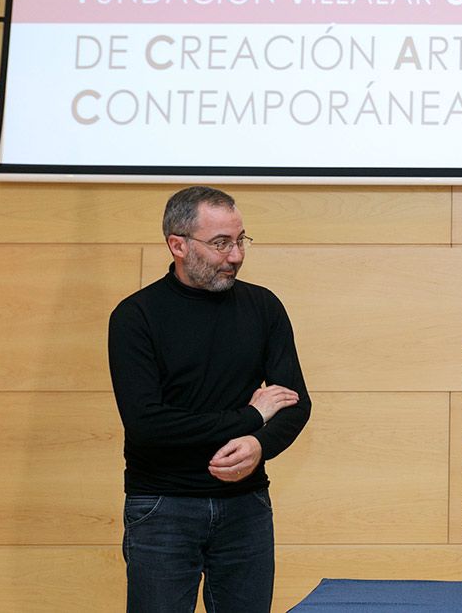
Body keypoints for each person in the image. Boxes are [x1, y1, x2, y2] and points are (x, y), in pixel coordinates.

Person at [108, 186, 312, 612]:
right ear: (177, 245)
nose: (235, 255)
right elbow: (148, 424)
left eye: (240, 240)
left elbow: (294, 403)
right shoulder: (135, 316)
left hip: (247, 507)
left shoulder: (264, 306)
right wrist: (252, 416)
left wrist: (260, 445)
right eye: (220, 243)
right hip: (162, 507)